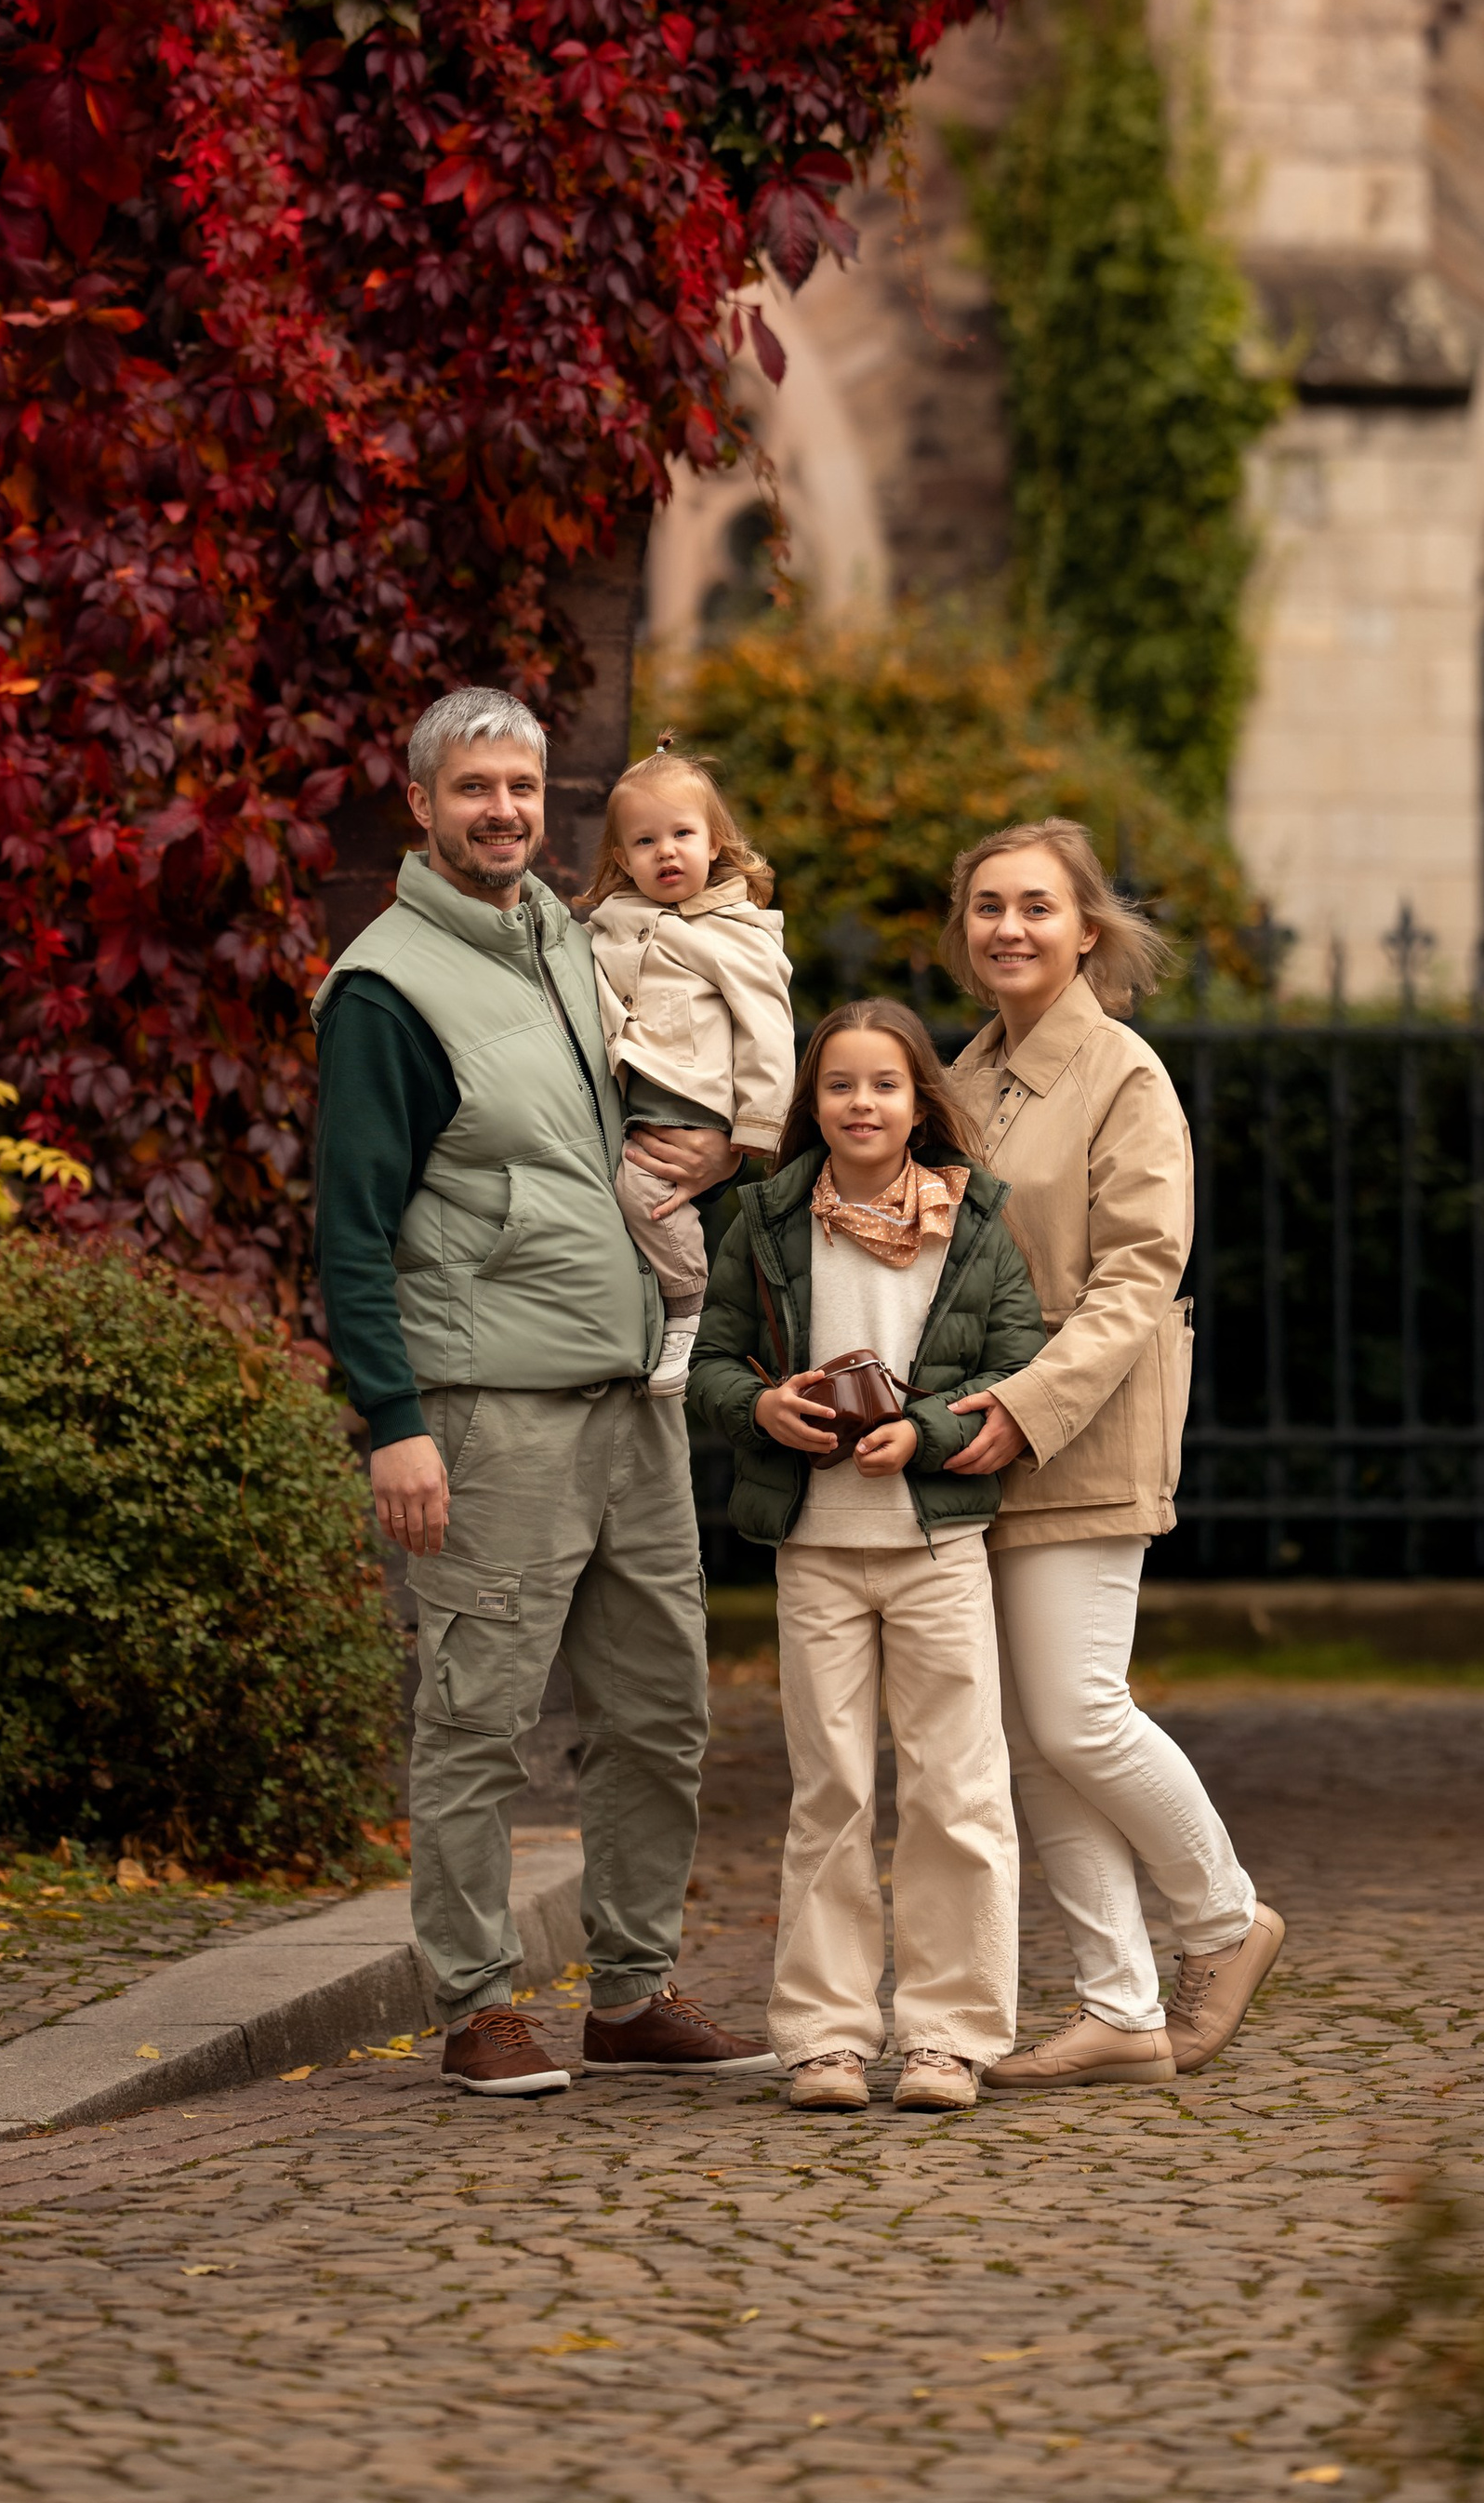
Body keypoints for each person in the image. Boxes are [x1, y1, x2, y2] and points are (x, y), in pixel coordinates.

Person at [311, 685, 771, 2100]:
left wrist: (720, 1153)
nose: (502, 811)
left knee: (659, 1710)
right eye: (472, 791)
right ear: (423, 807)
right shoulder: (386, 988)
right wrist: (393, 1422)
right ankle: (475, 2001)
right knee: (478, 1713)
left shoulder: (574, 944)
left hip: (628, 1397)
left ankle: (630, 1990)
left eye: (521, 787)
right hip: (485, 1408)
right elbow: (348, 1222)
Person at [939, 821, 1286, 2085]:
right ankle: (1120, 2009)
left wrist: (1028, 1406)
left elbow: (1142, 1270)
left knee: (1079, 1712)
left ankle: (1224, 1918)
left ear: (1089, 927)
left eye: (1036, 905)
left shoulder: (1123, 1075)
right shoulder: (960, 1078)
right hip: (975, 1440)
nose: (1009, 928)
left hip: (1078, 1438)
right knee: (1041, 1731)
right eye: (987, 906)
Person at [686, 1000, 1045, 2112]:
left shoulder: (976, 1219)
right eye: (838, 1085)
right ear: (813, 1102)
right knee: (829, 1789)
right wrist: (761, 1406)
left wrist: (930, 1432)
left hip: (938, 1543)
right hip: (817, 1548)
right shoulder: (762, 1219)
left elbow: (1016, 1357)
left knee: (956, 1786)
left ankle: (949, 2035)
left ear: (918, 1101)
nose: (860, 1104)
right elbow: (704, 1363)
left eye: (883, 1084)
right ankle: (825, 2035)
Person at [576, 739, 796, 1397]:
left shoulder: (736, 931)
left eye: (682, 833)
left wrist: (750, 1135)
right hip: (634, 1097)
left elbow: (768, 1032)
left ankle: (687, 1307)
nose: (666, 851)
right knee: (624, 1200)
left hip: (693, 1100)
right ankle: (649, 1307)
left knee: (646, 1191)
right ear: (623, 857)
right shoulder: (611, 923)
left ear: (713, 842)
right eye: (645, 841)